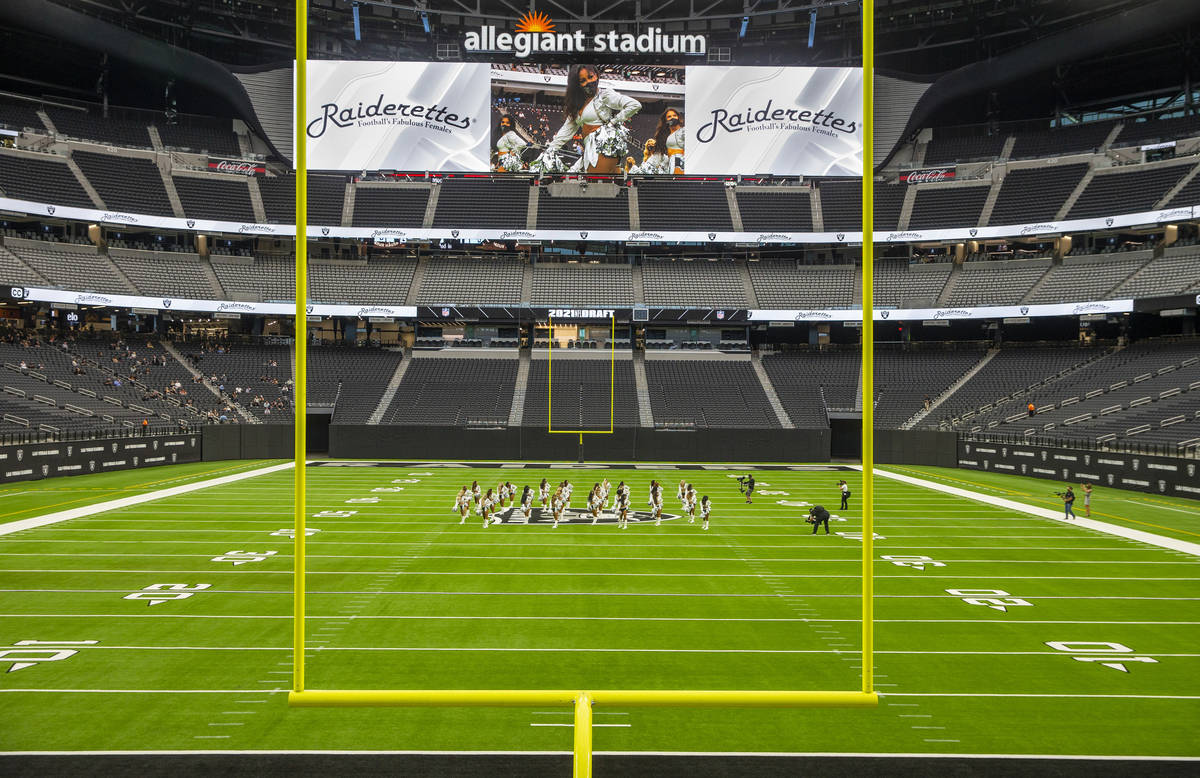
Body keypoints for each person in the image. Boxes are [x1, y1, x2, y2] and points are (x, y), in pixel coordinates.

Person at [533, 64, 641, 174]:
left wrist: (613, 122)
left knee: (597, 186)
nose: (589, 82)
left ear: (597, 75)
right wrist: (550, 149)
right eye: (583, 80)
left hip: (603, 149)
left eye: (591, 76)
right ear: (577, 85)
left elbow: (634, 105)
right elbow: (566, 130)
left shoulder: (604, 95)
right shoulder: (577, 105)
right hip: (590, 150)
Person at [628, 106, 684, 174]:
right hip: (670, 165)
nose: (672, 117)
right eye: (669, 116)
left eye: (674, 115)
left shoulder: (684, 131)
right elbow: (659, 154)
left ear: (678, 117)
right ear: (666, 120)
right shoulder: (663, 135)